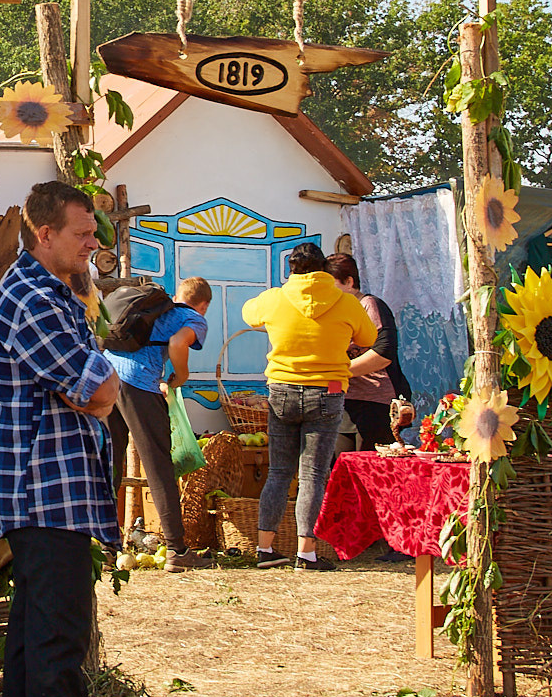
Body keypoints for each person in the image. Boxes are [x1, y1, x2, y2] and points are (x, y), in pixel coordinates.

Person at [0, 180, 134, 697]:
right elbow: (102, 386)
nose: (92, 243)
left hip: (50, 492)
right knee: (57, 641)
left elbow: (95, 391)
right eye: (81, 232)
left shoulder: (50, 294)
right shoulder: (34, 300)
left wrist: (92, 394)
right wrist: (94, 393)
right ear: (43, 232)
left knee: (34, 638)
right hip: (51, 493)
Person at [241, 242, 377, 571]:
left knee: (278, 473)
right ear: (324, 272)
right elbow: (370, 338)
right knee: (313, 475)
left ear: (291, 270)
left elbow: (248, 313)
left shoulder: (275, 297)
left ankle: (265, 549)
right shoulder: (344, 302)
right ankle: (306, 553)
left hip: (282, 391)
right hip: (327, 392)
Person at [103, 277, 212, 572]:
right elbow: (178, 342)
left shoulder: (156, 309)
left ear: (178, 295)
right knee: (158, 465)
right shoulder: (193, 318)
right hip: (138, 384)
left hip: (107, 380)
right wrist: (181, 375)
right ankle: (177, 550)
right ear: (204, 304)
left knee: (110, 463)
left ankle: (106, 548)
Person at [325, 254, 405, 452]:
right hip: (344, 402)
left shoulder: (369, 305)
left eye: (331, 285)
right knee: (342, 466)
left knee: (370, 467)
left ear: (349, 282)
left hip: (374, 402)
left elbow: (384, 353)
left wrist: (341, 371)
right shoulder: (334, 312)